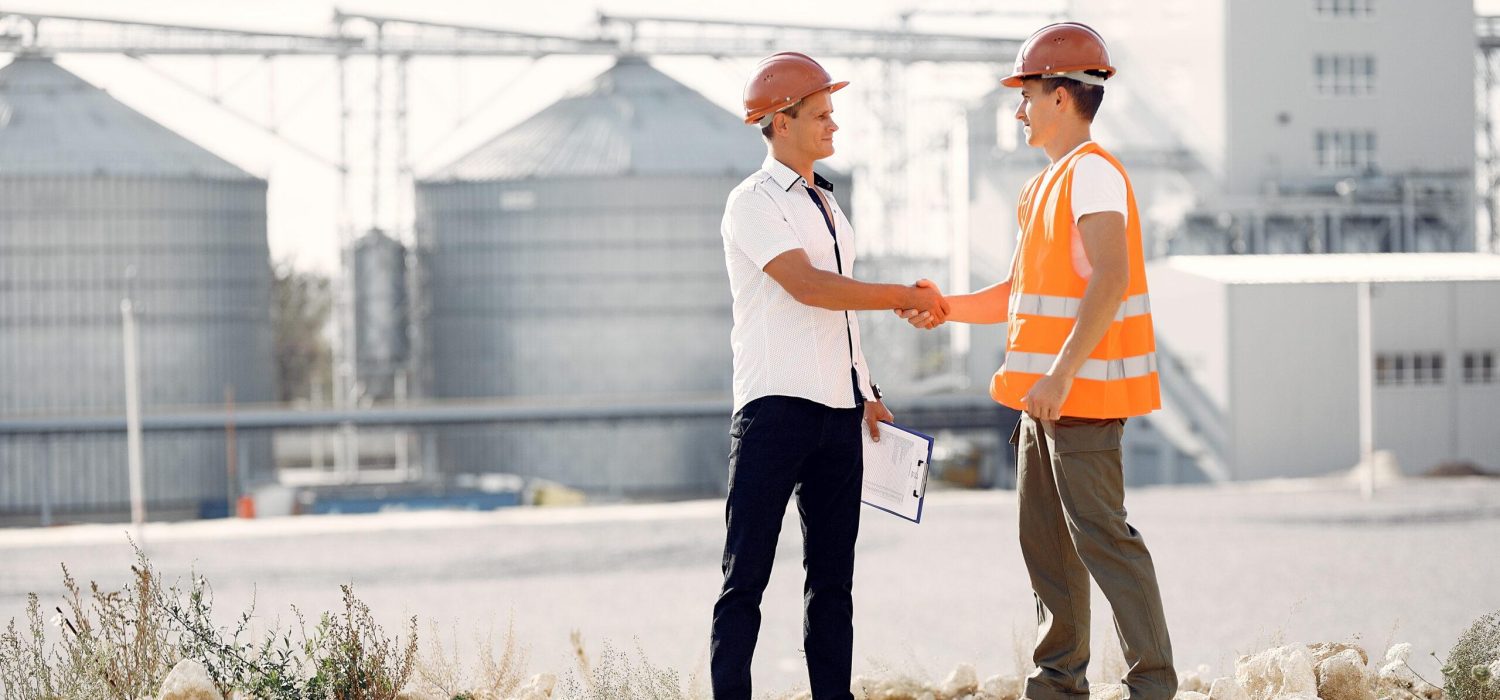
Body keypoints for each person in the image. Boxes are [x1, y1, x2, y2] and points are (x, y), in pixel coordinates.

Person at [898, 23, 1176, 700]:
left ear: (1059, 96)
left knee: (1104, 539)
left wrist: (1060, 374)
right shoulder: (1044, 187)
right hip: (1041, 402)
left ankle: (1153, 684)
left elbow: (1109, 280)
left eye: (1024, 96)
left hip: (1077, 399)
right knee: (1047, 549)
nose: (1017, 111)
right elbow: (1019, 295)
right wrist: (946, 308)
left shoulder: (1093, 176)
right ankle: (1056, 685)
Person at [711, 51, 949, 700]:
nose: (833, 126)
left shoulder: (829, 207)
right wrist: (903, 293)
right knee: (746, 579)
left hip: (839, 415)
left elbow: (841, 318)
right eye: (821, 114)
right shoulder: (751, 203)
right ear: (779, 122)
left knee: (833, 583)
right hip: (773, 412)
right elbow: (810, 288)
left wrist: (868, 393)